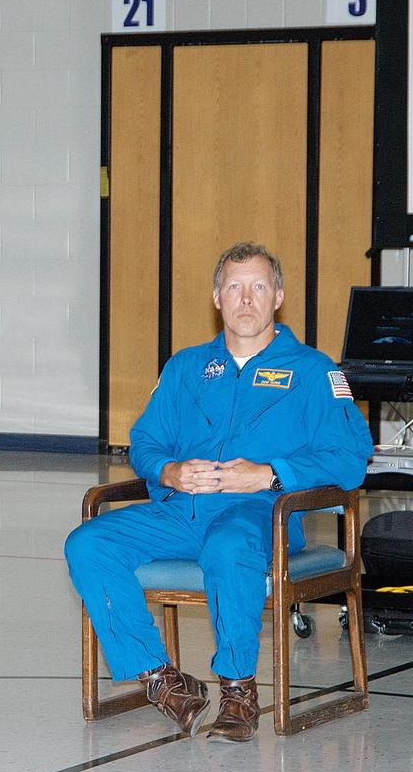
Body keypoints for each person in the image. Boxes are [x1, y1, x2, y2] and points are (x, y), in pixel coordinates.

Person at [65, 241, 373, 743]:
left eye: (257, 287)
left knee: (227, 547)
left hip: (261, 515)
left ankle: (237, 689)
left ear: (278, 296)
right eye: (234, 287)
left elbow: (350, 458)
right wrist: (168, 472)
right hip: (180, 514)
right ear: (216, 298)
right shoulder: (185, 368)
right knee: (87, 542)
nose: (245, 299)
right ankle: (163, 680)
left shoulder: (315, 371)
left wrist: (270, 474)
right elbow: (144, 441)